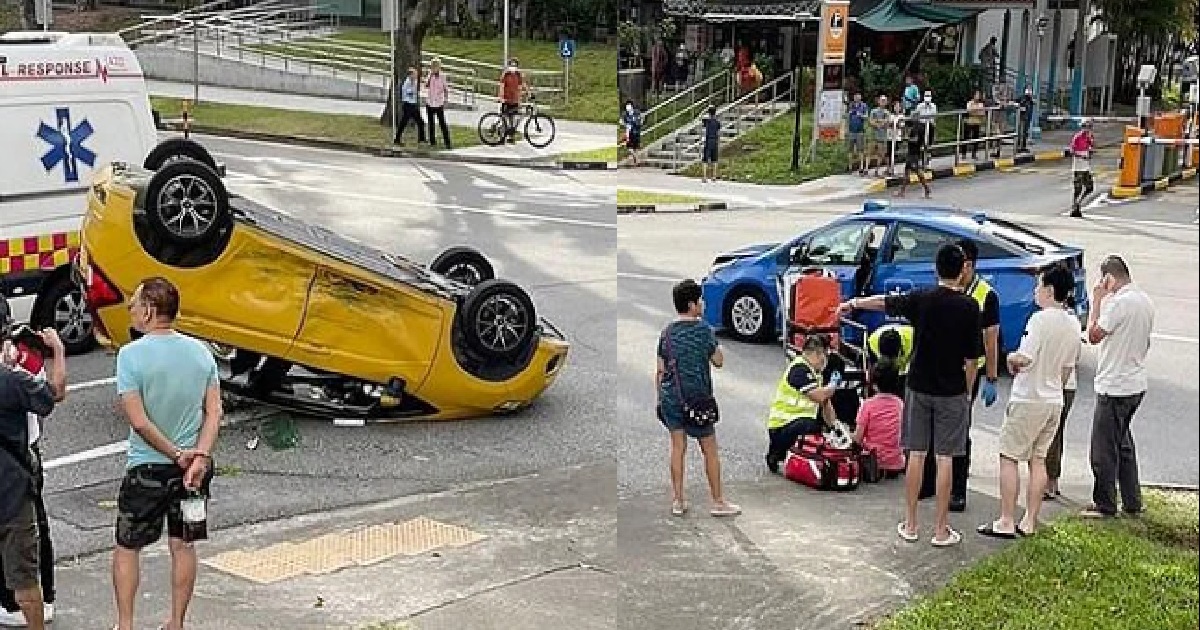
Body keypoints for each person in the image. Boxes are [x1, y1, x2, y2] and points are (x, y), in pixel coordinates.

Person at [839, 243, 983, 547]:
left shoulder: (922, 298)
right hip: (952, 390)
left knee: (916, 454)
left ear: (935, 269)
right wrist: (967, 392)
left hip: (918, 386)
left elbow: (885, 303)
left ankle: (911, 523)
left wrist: (854, 303)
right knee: (945, 458)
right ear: (962, 271)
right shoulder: (970, 307)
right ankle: (941, 529)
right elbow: (972, 360)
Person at [111, 278, 223, 630]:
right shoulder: (201, 352)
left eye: (134, 303)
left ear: (148, 310)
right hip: (193, 474)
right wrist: (199, 456)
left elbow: (139, 421)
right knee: (184, 545)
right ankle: (176, 622)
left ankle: (126, 624)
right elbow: (214, 412)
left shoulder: (130, 355)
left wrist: (176, 454)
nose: (130, 309)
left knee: (128, 546)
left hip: (147, 468)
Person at [977, 265, 1081, 538]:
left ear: (1049, 290)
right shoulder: (1072, 323)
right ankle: (1030, 521)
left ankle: (1006, 519)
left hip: (1028, 398)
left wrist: (1010, 358)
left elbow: (1025, 358)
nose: (1035, 291)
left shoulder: (1039, 320)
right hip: (1053, 399)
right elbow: (1067, 369)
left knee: (1009, 456)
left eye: (1038, 286)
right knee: (1038, 459)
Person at [918, 239, 1000, 511]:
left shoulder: (986, 296)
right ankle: (929, 482)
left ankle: (957, 490)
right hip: (939, 367)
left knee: (958, 430)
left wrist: (991, 378)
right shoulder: (945, 287)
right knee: (930, 427)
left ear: (969, 265)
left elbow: (991, 339)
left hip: (967, 372)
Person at [0, 312, 66, 630]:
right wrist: (58, 351)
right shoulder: (11, 379)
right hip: (12, 487)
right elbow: (54, 394)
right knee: (26, 573)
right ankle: (38, 607)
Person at [656, 279, 740, 518]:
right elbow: (718, 361)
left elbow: (660, 370)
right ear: (692, 305)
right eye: (700, 300)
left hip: (672, 397)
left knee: (677, 447)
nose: (703, 304)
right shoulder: (704, 331)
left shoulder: (667, 333)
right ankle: (718, 501)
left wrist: (660, 400)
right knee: (709, 449)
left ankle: (678, 501)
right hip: (698, 399)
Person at [1081, 255, 1154, 519]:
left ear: (1109, 278)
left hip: (1114, 386)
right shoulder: (1145, 301)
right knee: (1123, 444)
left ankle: (1105, 504)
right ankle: (1132, 500)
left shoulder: (1118, 304)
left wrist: (1097, 301)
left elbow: (1093, 335)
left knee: (1103, 449)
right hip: (1135, 382)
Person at [764, 335, 842, 474]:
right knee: (811, 425)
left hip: (796, 423)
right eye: (825, 356)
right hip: (781, 427)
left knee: (818, 425)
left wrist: (836, 429)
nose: (825, 361)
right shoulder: (799, 369)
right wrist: (833, 385)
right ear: (817, 354)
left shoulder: (815, 374)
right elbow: (819, 396)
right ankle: (777, 453)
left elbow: (825, 402)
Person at [853, 361, 906, 478]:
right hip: (896, 464)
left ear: (874, 384)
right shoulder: (900, 404)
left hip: (873, 464)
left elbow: (857, 439)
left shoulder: (868, 405)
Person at [1044, 354, 1078, 500]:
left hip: (1055, 384)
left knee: (1051, 434)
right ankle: (1051, 480)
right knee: (1055, 433)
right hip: (1064, 384)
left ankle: (1049, 481)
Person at [866, 322, 913, 391]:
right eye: (886, 357)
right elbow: (873, 371)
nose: (889, 361)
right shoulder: (873, 342)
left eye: (891, 359)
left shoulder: (913, 340)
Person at [895, 119, 931, 199]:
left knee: (917, 171)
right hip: (912, 153)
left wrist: (906, 139)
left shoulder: (915, 130)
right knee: (907, 172)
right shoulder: (919, 128)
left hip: (914, 154)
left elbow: (915, 139)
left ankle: (926, 188)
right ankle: (902, 191)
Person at [498, 58, 530, 143]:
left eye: (515, 65)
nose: (513, 67)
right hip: (506, 99)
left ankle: (511, 137)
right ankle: (502, 137)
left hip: (515, 99)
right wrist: (501, 97)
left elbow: (522, 84)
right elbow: (502, 86)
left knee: (513, 119)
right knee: (505, 119)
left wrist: (528, 92)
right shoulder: (506, 74)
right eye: (511, 65)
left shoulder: (518, 75)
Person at [1069, 118, 1095, 217]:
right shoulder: (1078, 137)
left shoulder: (1089, 137)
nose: (1087, 129)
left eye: (1089, 127)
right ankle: (1075, 208)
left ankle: (1078, 204)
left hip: (1086, 167)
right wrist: (1082, 156)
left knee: (1089, 187)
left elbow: (1091, 148)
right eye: (1085, 127)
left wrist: (1090, 150)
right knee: (1078, 189)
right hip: (1078, 167)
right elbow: (1072, 151)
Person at [424, 57, 452, 149]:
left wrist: (445, 100)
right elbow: (426, 85)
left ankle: (447, 142)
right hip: (430, 102)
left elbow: (446, 89)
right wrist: (430, 76)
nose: (434, 68)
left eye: (436, 67)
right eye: (432, 67)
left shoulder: (442, 76)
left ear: (439, 67)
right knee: (431, 123)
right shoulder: (430, 75)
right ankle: (432, 141)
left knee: (442, 123)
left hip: (439, 103)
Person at [395, 66, 427, 145]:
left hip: (413, 104)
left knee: (420, 122)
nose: (416, 76)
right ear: (410, 75)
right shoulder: (407, 83)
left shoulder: (414, 82)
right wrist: (413, 90)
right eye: (414, 74)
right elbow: (408, 93)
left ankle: (422, 139)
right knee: (404, 122)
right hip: (408, 105)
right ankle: (397, 139)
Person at [868, 95, 891, 177]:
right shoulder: (873, 111)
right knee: (870, 152)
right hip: (873, 135)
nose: (883, 102)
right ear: (878, 101)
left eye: (884, 101)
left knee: (881, 154)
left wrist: (878, 122)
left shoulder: (887, 112)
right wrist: (879, 123)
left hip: (883, 136)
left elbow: (887, 123)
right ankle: (866, 169)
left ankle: (877, 170)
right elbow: (871, 121)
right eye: (881, 100)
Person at [847, 92, 869, 175]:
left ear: (860, 97)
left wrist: (860, 115)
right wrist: (849, 113)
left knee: (861, 150)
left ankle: (861, 167)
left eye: (858, 96)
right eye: (855, 96)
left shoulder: (863, 106)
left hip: (860, 131)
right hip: (851, 131)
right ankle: (850, 167)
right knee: (850, 150)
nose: (857, 97)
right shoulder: (851, 105)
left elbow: (866, 116)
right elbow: (846, 115)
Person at [963, 91, 986, 161]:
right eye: (976, 95)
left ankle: (974, 153)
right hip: (969, 122)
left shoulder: (981, 104)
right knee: (966, 138)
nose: (978, 96)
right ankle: (964, 153)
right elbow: (969, 111)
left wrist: (975, 111)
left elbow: (982, 113)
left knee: (976, 138)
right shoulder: (969, 103)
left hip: (977, 123)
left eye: (979, 95)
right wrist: (977, 111)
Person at [701, 106, 721, 183]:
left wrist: (704, 111)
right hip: (714, 141)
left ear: (709, 113)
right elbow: (718, 132)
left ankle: (704, 177)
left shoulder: (707, 121)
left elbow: (700, 117)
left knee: (705, 160)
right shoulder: (717, 122)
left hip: (708, 140)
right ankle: (714, 176)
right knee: (714, 159)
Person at [623, 100, 643, 165]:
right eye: (627, 106)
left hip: (636, 132)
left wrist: (636, 122)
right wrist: (625, 124)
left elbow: (640, 121)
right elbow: (624, 122)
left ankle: (636, 160)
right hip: (629, 132)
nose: (627, 107)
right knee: (629, 147)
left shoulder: (636, 112)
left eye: (629, 106)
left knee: (635, 147)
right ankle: (636, 159)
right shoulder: (625, 114)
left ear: (632, 106)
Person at [1016, 87, 1035, 152]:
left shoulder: (1030, 100)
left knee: (1025, 132)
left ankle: (1023, 146)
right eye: (1028, 90)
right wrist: (1020, 107)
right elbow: (1016, 103)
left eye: (1030, 90)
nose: (1029, 92)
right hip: (1022, 117)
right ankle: (1019, 146)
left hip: (1027, 117)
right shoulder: (1022, 98)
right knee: (1021, 132)